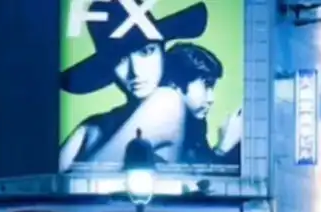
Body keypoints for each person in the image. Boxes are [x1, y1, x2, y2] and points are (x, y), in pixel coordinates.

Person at [60, 1, 209, 171]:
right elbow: (50, 183)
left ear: (162, 53)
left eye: (146, 51)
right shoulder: (92, 127)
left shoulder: (167, 101)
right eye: (119, 59)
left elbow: (89, 179)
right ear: (108, 66)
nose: (135, 71)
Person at [163, 43, 242, 166]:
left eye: (212, 87)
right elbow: (190, 176)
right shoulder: (161, 126)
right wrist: (223, 147)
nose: (211, 99)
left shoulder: (195, 123)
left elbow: (201, 165)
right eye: (206, 86)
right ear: (174, 84)